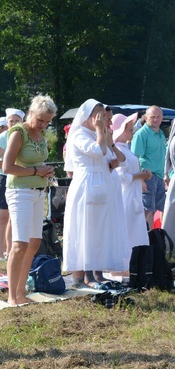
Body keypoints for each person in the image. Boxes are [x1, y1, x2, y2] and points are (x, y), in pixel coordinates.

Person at [63, 99, 128, 287]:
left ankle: (98, 273)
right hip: (87, 187)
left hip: (102, 186)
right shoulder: (79, 135)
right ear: (88, 116)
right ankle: (85, 276)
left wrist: (111, 162)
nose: (102, 120)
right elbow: (97, 150)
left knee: (99, 231)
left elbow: (112, 156)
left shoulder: (96, 134)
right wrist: (101, 131)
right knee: (86, 230)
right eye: (99, 116)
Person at [2, 96, 57, 305]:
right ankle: (11, 296)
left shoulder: (41, 135)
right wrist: (36, 170)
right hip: (19, 192)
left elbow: (38, 160)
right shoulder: (19, 132)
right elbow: (7, 167)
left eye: (47, 122)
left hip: (38, 191)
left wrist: (45, 171)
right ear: (31, 113)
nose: (43, 125)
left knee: (34, 243)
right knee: (20, 244)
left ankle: (21, 292)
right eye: (41, 120)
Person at [113, 113, 150, 276]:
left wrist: (141, 176)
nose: (132, 132)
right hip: (125, 195)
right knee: (126, 228)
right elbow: (120, 176)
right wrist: (139, 176)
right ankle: (122, 265)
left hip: (133, 193)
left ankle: (135, 262)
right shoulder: (116, 150)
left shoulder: (125, 148)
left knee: (135, 228)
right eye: (128, 129)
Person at [0, 109, 25, 258]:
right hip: (3, 178)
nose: (14, 123)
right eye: (11, 121)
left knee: (12, 217)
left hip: (18, 178)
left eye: (17, 121)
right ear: (7, 122)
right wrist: (11, 164)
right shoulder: (3, 137)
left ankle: (10, 252)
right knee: (2, 216)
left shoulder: (24, 136)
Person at [131, 105, 167, 228]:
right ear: (146, 118)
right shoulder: (141, 134)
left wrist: (165, 175)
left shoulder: (160, 133)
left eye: (158, 117)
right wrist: (141, 179)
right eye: (152, 117)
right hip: (148, 177)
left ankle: (154, 240)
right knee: (147, 211)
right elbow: (134, 158)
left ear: (162, 118)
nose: (156, 120)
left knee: (159, 210)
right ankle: (145, 241)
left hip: (159, 177)